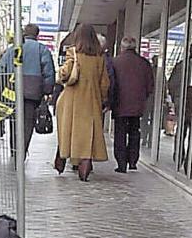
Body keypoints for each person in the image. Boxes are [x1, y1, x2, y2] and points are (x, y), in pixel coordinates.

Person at [54, 24, 110, 181]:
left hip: (71, 99)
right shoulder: (100, 58)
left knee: (67, 131)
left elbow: (65, 73)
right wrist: (102, 99)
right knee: (87, 135)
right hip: (91, 100)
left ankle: (61, 158)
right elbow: (105, 83)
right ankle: (84, 169)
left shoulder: (73, 53)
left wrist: (60, 73)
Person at [0, 24, 56, 158]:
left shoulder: (12, 49)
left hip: (12, 91)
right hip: (32, 93)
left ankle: (14, 150)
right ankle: (21, 152)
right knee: (28, 124)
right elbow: (49, 72)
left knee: (14, 122)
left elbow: (0, 69)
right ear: (37, 35)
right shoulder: (42, 50)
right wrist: (47, 91)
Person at [111, 36, 154, 173]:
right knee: (135, 132)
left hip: (120, 104)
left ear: (122, 47)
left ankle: (121, 163)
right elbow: (150, 86)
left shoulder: (115, 62)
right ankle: (133, 161)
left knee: (120, 133)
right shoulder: (144, 63)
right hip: (137, 106)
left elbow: (111, 84)